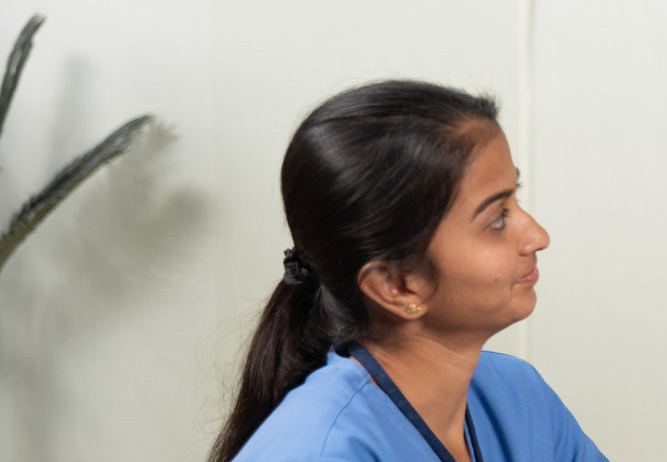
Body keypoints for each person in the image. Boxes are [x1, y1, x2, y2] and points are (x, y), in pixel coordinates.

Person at [209, 80, 609, 462]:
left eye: (515, 199)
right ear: (397, 285)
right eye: (497, 219)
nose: (538, 236)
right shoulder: (319, 452)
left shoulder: (519, 399)